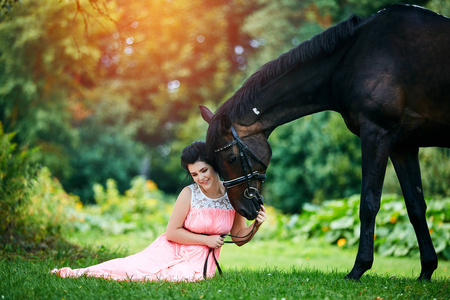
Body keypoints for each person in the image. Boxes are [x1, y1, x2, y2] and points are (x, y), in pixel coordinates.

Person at [51, 141, 266, 282]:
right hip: (170, 249)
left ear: (214, 167)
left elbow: (238, 237)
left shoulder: (232, 196)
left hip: (201, 262)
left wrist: (255, 226)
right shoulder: (189, 194)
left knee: (180, 277)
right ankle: (77, 273)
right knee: (129, 269)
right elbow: (172, 232)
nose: (200, 178)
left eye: (204, 170)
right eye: (194, 174)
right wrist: (207, 241)